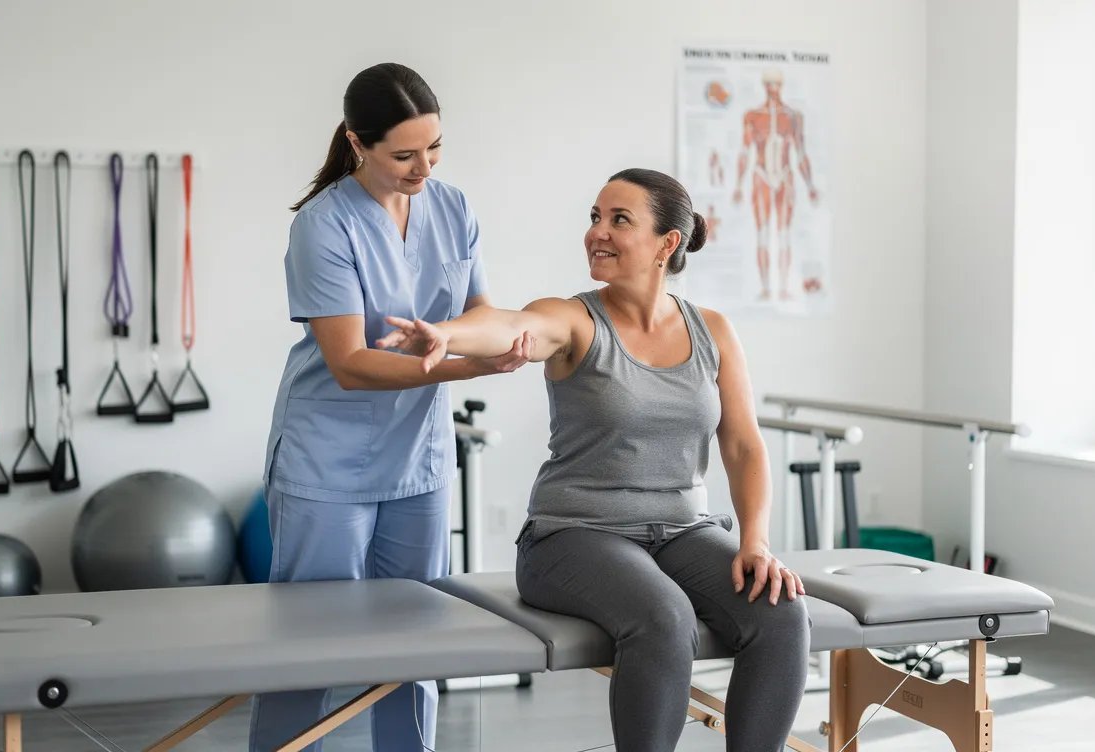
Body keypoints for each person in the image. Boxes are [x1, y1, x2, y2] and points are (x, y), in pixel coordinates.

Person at [378, 168, 811, 752]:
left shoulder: (713, 330)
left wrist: (754, 541)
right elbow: (511, 323)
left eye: (619, 220)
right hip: (572, 537)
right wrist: (447, 335)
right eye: (594, 217)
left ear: (667, 244)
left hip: (683, 531)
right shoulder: (575, 319)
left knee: (780, 613)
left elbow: (743, 445)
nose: (596, 233)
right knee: (664, 618)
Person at [254, 62, 533, 752]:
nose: (423, 167)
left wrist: (479, 341)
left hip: (421, 459)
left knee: (418, 645)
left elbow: (478, 311)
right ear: (358, 142)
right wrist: (469, 363)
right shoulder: (323, 226)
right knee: (311, 647)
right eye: (404, 154)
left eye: (434, 147)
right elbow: (349, 363)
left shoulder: (454, 207)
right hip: (328, 458)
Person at [732, 68, 820, 302]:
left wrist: (810, 185)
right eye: (768, 84)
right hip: (761, 175)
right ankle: (765, 288)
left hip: (784, 176)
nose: (772, 89)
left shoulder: (792, 116)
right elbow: (744, 152)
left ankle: (782, 288)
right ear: (764, 86)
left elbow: (800, 153)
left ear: (781, 86)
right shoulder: (752, 116)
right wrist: (738, 185)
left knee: (783, 233)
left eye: (776, 84)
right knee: (762, 232)